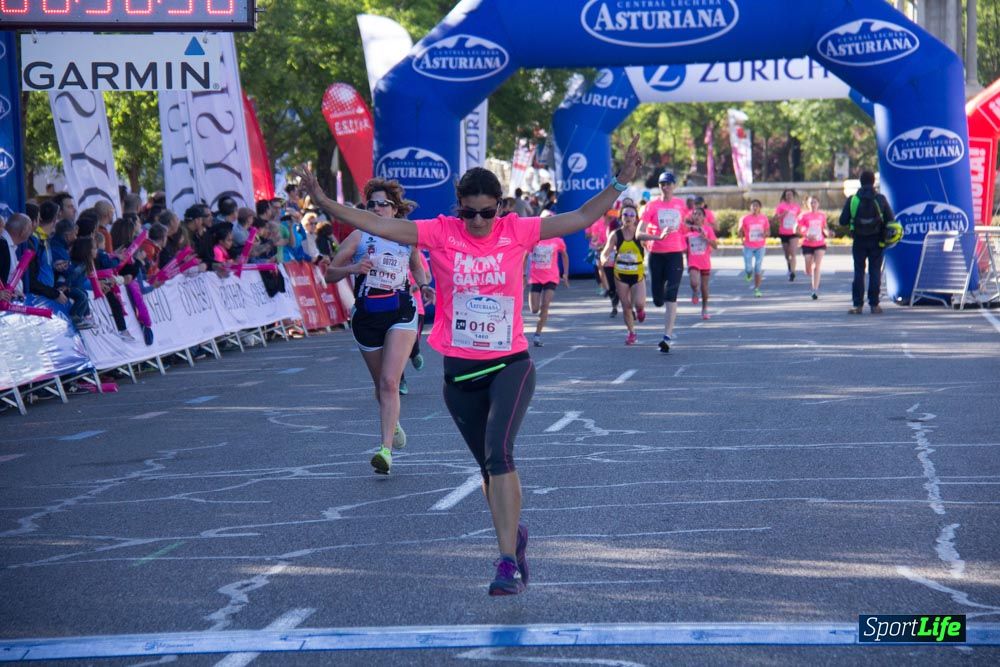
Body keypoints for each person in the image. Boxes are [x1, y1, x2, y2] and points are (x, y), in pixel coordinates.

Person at [297, 134, 643, 596]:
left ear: (500, 207)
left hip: (510, 364)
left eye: (487, 212)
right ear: (457, 207)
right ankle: (514, 532)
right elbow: (375, 225)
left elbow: (580, 216)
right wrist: (322, 202)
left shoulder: (517, 230)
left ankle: (505, 562)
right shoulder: (440, 232)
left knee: (500, 453)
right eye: (469, 213)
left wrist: (619, 184)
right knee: (487, 468)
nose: (478, 222)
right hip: (459, 372)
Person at [323, 178, 433, 475]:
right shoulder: (359, 237)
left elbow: (416, 264)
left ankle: (384, 450)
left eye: (381, 204)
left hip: (400, 310)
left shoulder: (406, 235)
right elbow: (330, 274)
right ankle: (393, 420)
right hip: (367, 315)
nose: (375, 209)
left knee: (389, 382)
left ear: (395, 208)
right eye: (371, 205)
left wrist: (423, 285)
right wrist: (352, 268)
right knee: (380, 385)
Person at [639, 170, 687, 353]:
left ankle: (667, 337)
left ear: (674, 185)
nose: (665, 187)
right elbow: (639, 233)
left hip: (675, 253)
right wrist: (657, 236)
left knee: (671, 294)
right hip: (656, 254)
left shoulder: (680, 205)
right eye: (662, 184)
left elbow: (685, 225)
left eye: (668, 183)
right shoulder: (651, 206)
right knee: (658, 299)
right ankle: (658, 299)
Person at [839, 171, 894, 314]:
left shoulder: (853, 200)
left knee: (859, 272)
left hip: (859, 241)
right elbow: (891, 220)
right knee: (875, 272)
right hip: (877, 242)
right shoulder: (880, 199)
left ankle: (857, 305)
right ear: (873, 181)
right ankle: (874, 304)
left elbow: (842, 221)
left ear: (860, 182)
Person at [601, 203, 654, 345]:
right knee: (626, 306)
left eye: (632, 215)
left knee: (639, 304)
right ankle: (631, 332)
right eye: (625, 215)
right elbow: (605, 251)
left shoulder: (640, 235)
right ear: (620, 218)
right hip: (621, 275)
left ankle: (641, 311)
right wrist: (604, 259)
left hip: (637, 274)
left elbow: (651, 247)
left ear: (636, 218)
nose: (628, 217)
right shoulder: (615, 235)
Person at [525, 221, 569, 347]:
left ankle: (537, 335)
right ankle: (539, 314)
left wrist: (565, 273)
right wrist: (523, 274)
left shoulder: (557, 240)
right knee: (534, 309)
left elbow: (565, 256)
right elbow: (524, 256)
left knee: (545, 305)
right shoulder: (534, 239)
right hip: (535, 277)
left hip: (551, 277)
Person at [684, 207, 719, 320]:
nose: (697, 216)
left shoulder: (708, 230)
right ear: (692, 217)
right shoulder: (687, 230)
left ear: (704, 217)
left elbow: (715, 246)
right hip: (693, 262)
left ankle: (704, 309)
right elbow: (682, 246)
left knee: (704, 288)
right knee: (694, 282)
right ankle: (695, 291)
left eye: (700, 214)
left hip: (705, 262)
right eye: (695, 214)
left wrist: (706, 239)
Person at [798, 196, 831, 300]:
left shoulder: (822, 215)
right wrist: (806, 234)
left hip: (820, 243)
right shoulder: (804, 215)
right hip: (807, 243)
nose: (813, 204)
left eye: (815, 202)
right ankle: (808, 269)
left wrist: (828, 232)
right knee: (808, 267)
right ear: (808, 204)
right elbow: (798, 228)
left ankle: (815, 290)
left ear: (818, 204)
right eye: (811, 202)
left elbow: (825, 228)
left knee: (816, 266)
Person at [739, 199, 769, 298]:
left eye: (756, 205)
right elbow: (740, 231)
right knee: (748, 267)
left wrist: (765, 234)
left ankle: (757, 289)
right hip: (748, 246)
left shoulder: (764, 218)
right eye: (753, 206)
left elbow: (768, 231)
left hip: (760, 246)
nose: (755, 207)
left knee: (758, 267)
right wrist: (741, 239)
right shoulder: (745, 218)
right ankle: (748, 273)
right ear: (750, 207)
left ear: (760, 208)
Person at [773, 189, 801, 281]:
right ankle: (789, 267)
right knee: (787, 255)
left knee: (793, 253)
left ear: (793, 196)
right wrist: (782, 215)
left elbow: (800, 219)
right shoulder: (781, 206)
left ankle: (792, 272)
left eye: (790, 195)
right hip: (784, 232)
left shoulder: (796, 207)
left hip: (794, 233)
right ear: (785, 196)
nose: (789, 196)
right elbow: (775, 218)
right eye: (787, 195)